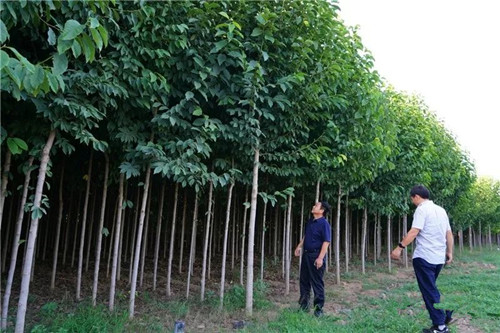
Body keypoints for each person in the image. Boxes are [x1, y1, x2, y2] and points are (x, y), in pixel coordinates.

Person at [391, 185, 454, 333]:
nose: (412, 201)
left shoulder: (422, 209)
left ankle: (440, 326)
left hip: (425, 257)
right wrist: (449, 252)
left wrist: (399, 247)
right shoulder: (441, 210)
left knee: (429, 291)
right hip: (438, 258)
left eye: (412, 199)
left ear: (417, 196)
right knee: (431, 288)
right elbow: (449, 233)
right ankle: (444, 316)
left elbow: (414, 231)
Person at [294, 201, 331, 317]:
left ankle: (318, 309)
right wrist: (299, 246)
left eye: (316, 205)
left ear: (321, 211)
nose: (313, 206)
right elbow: (306, 236)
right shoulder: (311, 222)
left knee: (317, 283)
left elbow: (326, 242)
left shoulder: (324, 224)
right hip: (306, 255)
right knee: (304, 281)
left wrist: (320, 258)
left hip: (316, 256)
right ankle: (304, 305)